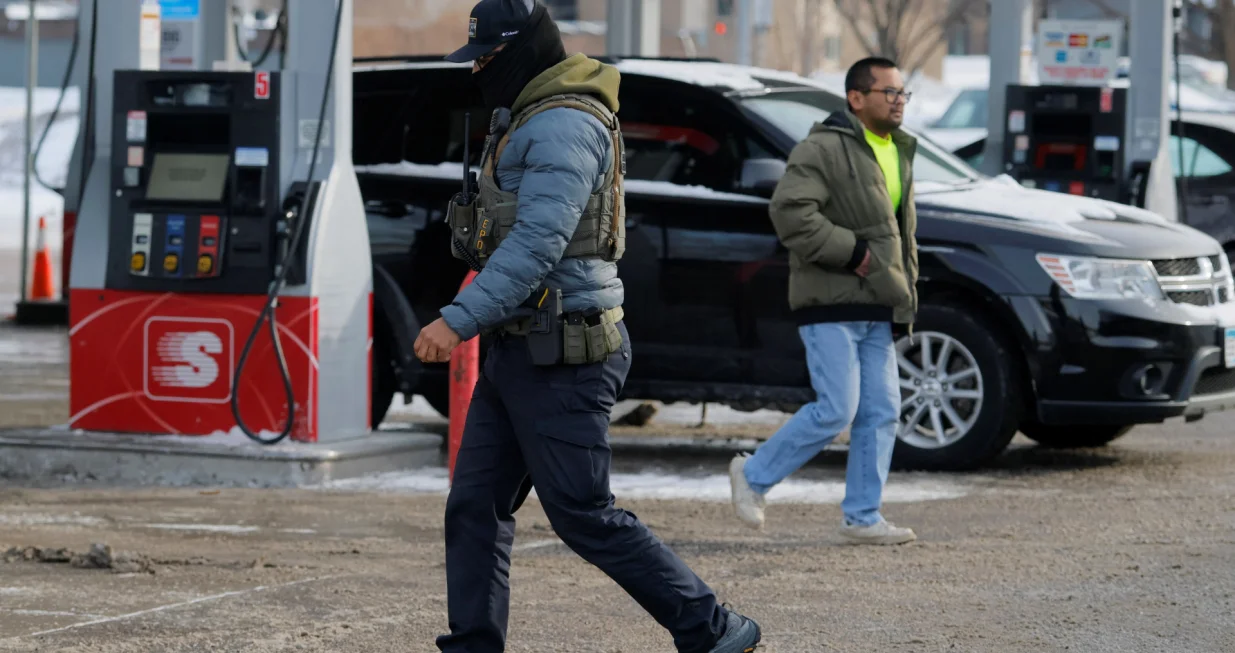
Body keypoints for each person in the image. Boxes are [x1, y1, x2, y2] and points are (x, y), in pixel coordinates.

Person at [414, 2, 762, 651]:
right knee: (475, 506)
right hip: (521, 342)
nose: (480, 71)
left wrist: (456, 321)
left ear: (521, 53)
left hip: (564, 349)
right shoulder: (525, 118)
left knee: (581, 513)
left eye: (489, 59)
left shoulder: (562, 126)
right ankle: (473, 643)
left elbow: (534, 247)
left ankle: (710, 627)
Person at [728, 57, 920, 546]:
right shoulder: (823, 147)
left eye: (903, 94)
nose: (898, 101)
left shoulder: (897, 149)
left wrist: (903, 301)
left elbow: (901, 236)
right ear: (856, 97)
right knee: (838, 408)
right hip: (830, 302)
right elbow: (790, 212)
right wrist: (853, 253)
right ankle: (752, 476)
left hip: (878, 303)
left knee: (881, 411)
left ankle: (862, 516)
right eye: (889, 93)